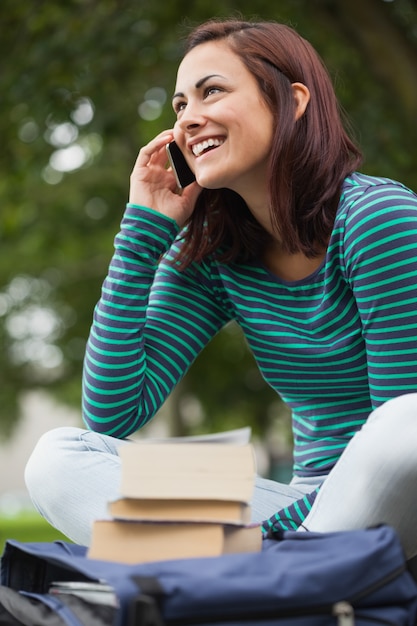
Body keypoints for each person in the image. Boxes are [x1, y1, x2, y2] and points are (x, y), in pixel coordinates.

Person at [25, 18, 417, 556]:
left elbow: (402, 436)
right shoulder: (217, 254)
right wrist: (143, 232)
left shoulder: (378, 219)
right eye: (180, 106)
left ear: (292, 101)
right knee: (58, 457)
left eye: (212, 91)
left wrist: (263, 539)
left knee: (408, 420)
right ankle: (287, 574)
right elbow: (113, 416)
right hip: (305, 512)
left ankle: (267, 571)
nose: (189, 119)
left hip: (394, 502)